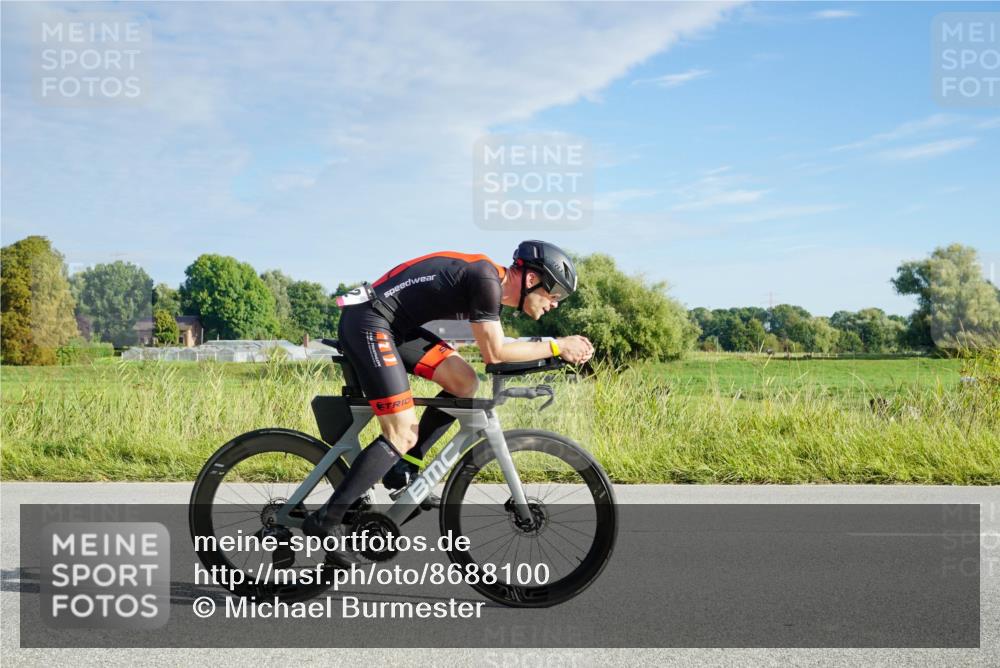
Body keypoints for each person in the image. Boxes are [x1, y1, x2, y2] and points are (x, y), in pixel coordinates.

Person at [302, 240, 594, 564]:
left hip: (395, 327)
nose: (554, 304)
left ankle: (404, 466)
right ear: (530, 280)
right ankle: (326, 520)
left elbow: (494, 356)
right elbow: (495, 353)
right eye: (553, 295)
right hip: (368, 322)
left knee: (465, 382)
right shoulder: (486, 281)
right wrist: (557, 346)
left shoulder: (489, 283)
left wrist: (554, 353)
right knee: (401, 432)